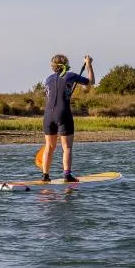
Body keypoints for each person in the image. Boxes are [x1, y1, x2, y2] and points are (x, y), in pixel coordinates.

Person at [41, 54, 95, 182]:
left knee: (49, 146)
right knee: (67, 147)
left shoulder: (47, 79)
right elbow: (91, 82)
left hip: (48, 114)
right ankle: (67, 175)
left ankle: (45, 176)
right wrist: (88, 64)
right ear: (65, 64)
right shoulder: (70, 75)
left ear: (53, 66)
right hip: (63, 113)